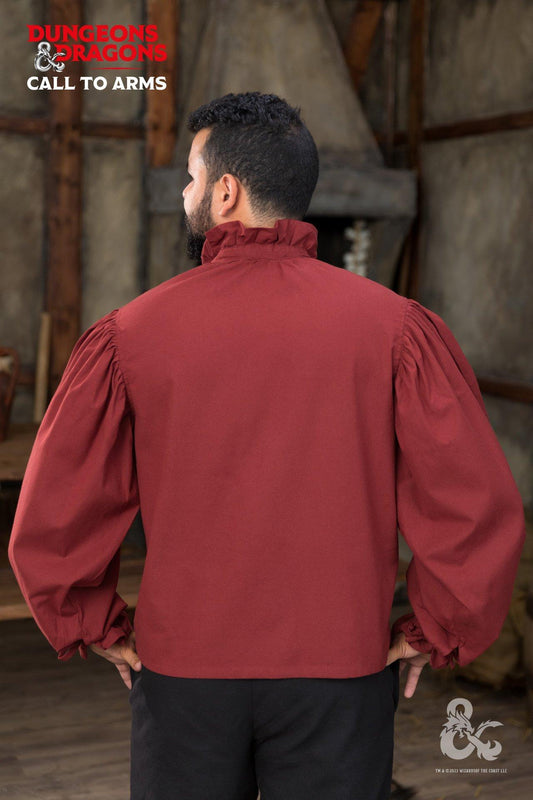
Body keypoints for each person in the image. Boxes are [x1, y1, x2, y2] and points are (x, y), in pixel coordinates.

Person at [8, 92, 526, 800]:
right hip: (340, 673)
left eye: (191, 177)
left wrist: (94, 623)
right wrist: (434, 628)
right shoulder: (398, 330)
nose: (185, 193)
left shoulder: (130, 335)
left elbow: (57, 507)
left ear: (225, 192)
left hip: (185, 675)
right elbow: (471, 502)